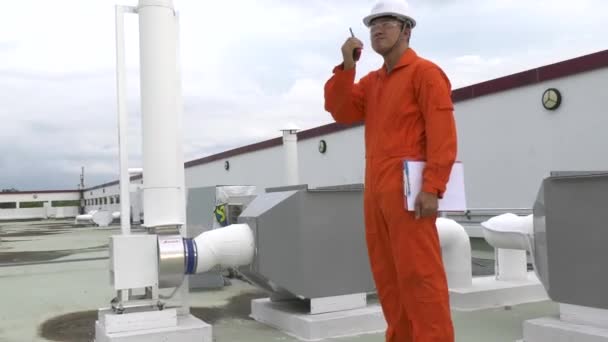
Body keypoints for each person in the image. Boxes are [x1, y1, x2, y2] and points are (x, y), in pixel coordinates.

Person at [323, 1, 458, 341]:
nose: (377, 29)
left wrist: (433, 187)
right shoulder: (371, 83)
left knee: (420, 276)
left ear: (407, 30)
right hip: (377, 192)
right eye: (373, 25)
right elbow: (341, 110)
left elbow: (442, 134)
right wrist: (346, 66)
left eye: (386, 22)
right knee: (388, 277)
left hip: (410, 193)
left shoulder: (426, 74)